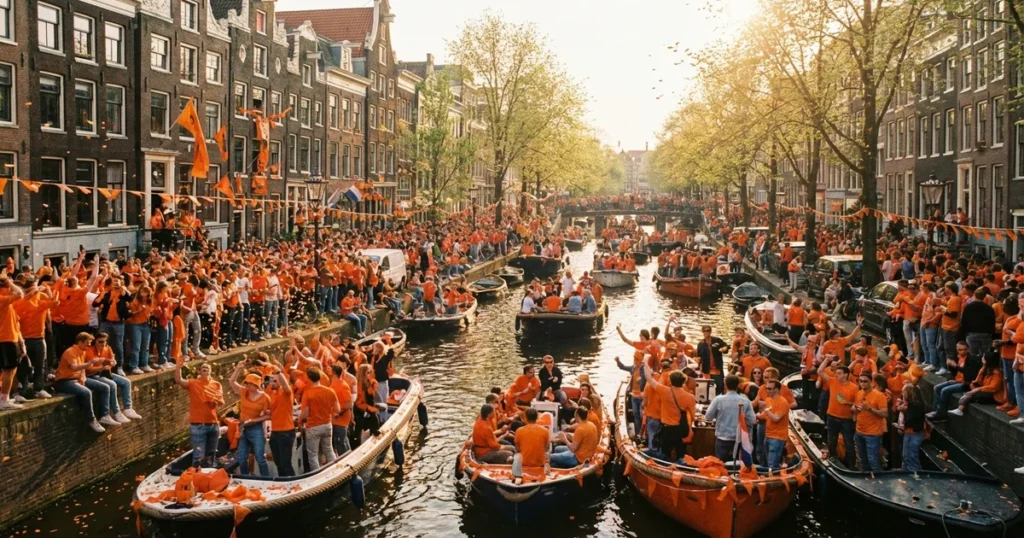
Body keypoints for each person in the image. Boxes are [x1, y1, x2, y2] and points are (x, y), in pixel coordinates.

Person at [54, 332, 114, 432]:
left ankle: (105, 415)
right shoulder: (70, 352)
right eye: (87, 343)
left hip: (77, 379)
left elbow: (83, 368)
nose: (89, 345)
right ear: (80, 342)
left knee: (104, 387)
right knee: (87, 392)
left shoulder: (83, 351)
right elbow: (74, 367)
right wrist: (90, 363)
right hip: (64, 381)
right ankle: (91, 420)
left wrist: (83, 377)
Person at [174, 359, 224, 467]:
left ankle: (208, 477)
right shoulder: (193, 383)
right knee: (198, 455)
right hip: (198, 425)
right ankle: (196, 477)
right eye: (204, 369)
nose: (206, 371)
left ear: (211, 372)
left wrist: (215, 401)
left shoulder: (216, 384)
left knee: (211, 454)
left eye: (208, 369)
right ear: (199, 372)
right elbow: (179, 380)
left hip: (213, 423)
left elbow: (221, 402)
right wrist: (178, 368)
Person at [84, 332, 141, 424]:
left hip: (106, 373)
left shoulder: (108, 348)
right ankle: (116, 412)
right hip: (94, 374)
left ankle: (128, 408)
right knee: (112, 384)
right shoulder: (89, 351)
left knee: (126, 382)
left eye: (105, 342)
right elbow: (88, 370)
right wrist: (101, 367)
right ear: (95, 341)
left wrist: (113, 362)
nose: (103, 344)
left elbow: (112, 360)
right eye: (100, 342)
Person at [644, 365, 696, 462]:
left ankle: (664, 471)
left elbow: (649, 379)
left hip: (667, 429)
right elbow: (693, 416)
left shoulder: (664, 391)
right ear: (683, 381)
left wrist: (645, 362)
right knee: (681, 454)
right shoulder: (690, 397)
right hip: (681, 429)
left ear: (671, 381)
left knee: (664, 455)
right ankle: (681, 470)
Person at [229, 361, 271, 476]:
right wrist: (237, 368)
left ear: (255, 385)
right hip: (243, 427)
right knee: (242, 458)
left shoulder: (264, 398)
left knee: (260, 457)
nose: (246, 385)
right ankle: (245, 478)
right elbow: (232, 382)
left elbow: (269, 415)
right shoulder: (244, 392)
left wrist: (254, 420)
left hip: (256, 428)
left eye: (248, 384)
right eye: (246, 383)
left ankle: (265, 479)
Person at [703, 375, 756, 462]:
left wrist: (719, 415)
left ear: (725, 385)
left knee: (721, 464)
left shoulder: (718, 400)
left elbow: (708, 416)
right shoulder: (746, 401)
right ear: (738, 385)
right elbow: (752, 420)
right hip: (739, 439)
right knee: (738, 465)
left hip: (722, 437)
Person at [298, 367, 341, 472]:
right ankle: (334, 472)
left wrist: (299, 420)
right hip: (327, 425)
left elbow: (305, 413)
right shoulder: (330, 391)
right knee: (329, 449)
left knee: (313, 455)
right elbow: (337, 409)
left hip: (313, 427)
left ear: (309, 379)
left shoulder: (307, 393)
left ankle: (317, 476)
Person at [817, 358, 857, 468]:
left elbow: (856, 405)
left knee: (849, 443)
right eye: (836, 373)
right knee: (831, 440)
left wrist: (847, 403)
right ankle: (834, 460)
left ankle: (851, 466)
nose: (836, 375)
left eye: (839, 373)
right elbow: (820, 371)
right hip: (832, 416)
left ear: (846, 375)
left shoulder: (854, 388)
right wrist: (826, 359)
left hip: (846, 419)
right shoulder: (832, 382)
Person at [927, 342, 979, 420]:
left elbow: (968, 373)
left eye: (964, 349)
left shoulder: (971, 359)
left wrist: (956, 366)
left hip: (965, 383)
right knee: (937, 387)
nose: (962, 351)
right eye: (959, 350)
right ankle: (937, 410)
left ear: (968, 349)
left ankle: (941, 413)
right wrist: (950, 368)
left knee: (944, 390)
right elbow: (954, 373)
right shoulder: (957, 357)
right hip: (956, 380)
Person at [947, 352, 1006, 417]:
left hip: (995, 395)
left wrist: (978, 389)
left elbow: (993, 388)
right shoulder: (986, 369)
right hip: (987, 390)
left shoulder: (997, 373)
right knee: (970, 391)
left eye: (984, 358)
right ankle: (960, 408)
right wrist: (981, 371)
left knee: (970, 395)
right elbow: (979, 381)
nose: (982, 359)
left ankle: (960, 409)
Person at [852, 373, 888, 473]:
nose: (862, 383)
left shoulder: (879, 396)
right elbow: (855, 407)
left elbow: (885, 413)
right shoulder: (859, 393)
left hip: (873, 434)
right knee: (862, 460)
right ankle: (867, 480)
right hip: (859, 431)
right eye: (860, 381)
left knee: (873, 461)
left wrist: (870, 409)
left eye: (865, 381)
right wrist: (855, 408)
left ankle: (879, 483)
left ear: (871, 382)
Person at [266, 360, 296, 477]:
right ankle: (283, 483)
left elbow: (285, 385)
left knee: (285, 463)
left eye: (274, 381)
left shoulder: (286, 393)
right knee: (278, 463)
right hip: (275, 432)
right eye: (271, 381)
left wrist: (279, 372)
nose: (271, 383)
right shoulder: (273, 394)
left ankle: (292, 485)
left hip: (286, 432)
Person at [0, 275, 25, 409]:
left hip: (10, 337)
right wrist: (9, 281)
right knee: (9, 369)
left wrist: (21, 342)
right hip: (5, 338)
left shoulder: (5, 300)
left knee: (10, 369)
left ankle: (4, 397)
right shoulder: (1, 299)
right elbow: (20, 293)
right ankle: (3, 400)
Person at [757, 379, 790, 470]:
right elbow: (764, 416)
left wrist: (766, 410)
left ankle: (776, 479)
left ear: (777, 389)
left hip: (778, 438)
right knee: (768, 464)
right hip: (768, 435)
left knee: (773, 465)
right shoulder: (768, 400)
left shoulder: (783, 402)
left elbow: (776, 418)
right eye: (767, 388)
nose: (768, 391)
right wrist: (755, 416)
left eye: (770, 389)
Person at [512, 407, 550, 482]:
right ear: (537, 418)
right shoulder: (545, 431)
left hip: (524, 463)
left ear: (525, 418)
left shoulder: (519, 431)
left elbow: (517, 449)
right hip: (539, 463)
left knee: (515, 455)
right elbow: (547, 448)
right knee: (548, 456)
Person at [896, 383, 926, 472]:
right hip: (908, 434)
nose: (902, 394)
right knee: (905, 457)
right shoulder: (909, 404)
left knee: (913, 457)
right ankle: (904, 472)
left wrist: (903, 410)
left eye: (903, 392)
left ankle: (915, 476)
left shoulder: (916, 405)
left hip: (915, 434)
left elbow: (911, 419)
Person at [329, 363, 354, 455]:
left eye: (330, 369)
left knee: (341, 443)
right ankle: (349, 457)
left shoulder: (343, 386)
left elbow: (348, 404)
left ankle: (345, 460)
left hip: (340, 420)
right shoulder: (333, 385)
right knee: (341, 441)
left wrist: (338, 414)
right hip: (334, 420)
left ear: (333, 373)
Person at [696, 325, 727, 392]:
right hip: (706, 369)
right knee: (708, 388)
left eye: (708, 331)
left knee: (719, 387)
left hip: (717, 368)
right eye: (704, 331)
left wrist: (724, 348)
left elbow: (726, 346)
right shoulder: (700, 344)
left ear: (710, 332)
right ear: (702, 332)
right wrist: (699, 367)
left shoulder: (717, 340)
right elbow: (698, 356)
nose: (706, 332)